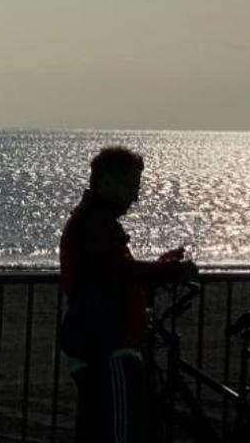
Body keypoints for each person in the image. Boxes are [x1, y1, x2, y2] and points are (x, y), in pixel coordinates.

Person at [59, 147, 196, 443]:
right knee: (119, 432)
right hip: (107, 348)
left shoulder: (93, 222)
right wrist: (172, 271)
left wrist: (159, 268)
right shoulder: (95, 224)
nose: (135, 197)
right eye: (132, 186)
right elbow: (119, 271)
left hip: (97, 345)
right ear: (108, 182)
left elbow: (114, 273)